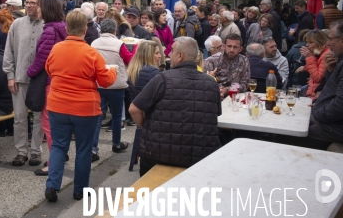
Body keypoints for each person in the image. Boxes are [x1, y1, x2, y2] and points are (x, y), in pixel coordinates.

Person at [44, 10, 117, 202]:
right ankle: (79, 190)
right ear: (85, 29)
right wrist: (113, 72)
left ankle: (52, 185)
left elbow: (49, 70)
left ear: (67, 28)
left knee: (59, 146)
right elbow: (106, 80)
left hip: (58, 104)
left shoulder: (56, 48)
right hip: (85, 108)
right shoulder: (91, 52)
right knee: (83, 149)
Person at [129, 37, 222, 176]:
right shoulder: (211, 83)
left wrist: (146, 126)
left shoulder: (162, 79)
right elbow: (216, 114)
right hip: (201, 155)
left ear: (180, 55)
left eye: (171, 51)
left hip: (159, 153)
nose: (168, 55)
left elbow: (134, 109)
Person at [26, 0, 68, 175]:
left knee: (48, 124)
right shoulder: (62, 28)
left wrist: (28, 72)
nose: (37, 10)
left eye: (40, 7)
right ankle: (59, 156)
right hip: (60, 81)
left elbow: (42, 59)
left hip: (49, 82)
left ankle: (53, 163)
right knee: (57, 124)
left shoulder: (49, 31)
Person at [3, 0, 45, 167]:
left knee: (39, 118)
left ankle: (36, 151)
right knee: (19, 117)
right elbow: (9, 52)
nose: (28, 5)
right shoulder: (17, 24)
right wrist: (10, 76)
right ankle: (21, 151)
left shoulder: (48, 25)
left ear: (40, 5)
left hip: (40, 80)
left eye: (32, 3)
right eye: (27, 2)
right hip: (20, 78)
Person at [91, 18, 136, 161]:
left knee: (97, 116)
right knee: (117, 116)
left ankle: (93, 148)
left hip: (99, 83)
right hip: (116, 83)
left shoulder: (94, 43)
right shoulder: (119, 44)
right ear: (114, 30)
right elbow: (129, 60)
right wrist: (135, 47)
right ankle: (116, 143)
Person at [302, 20, 343, 149]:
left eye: (330, 39)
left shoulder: (326, 55)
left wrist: (318, 113)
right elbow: (330, 86)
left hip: (335, 126)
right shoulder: (337, 59)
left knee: (295, 137)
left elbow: (339, 105)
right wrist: (330, 71)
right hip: (331, 119)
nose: (328, 43)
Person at [204, 33, 250, 98]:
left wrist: (228, 90)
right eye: (229, 46)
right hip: (215, 97)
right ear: (224, 46)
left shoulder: (244, 61)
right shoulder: (211, 61)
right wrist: (219, 89)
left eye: (235, 47)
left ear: (240, 49)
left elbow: (245, 84)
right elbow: (203, 83)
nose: (231, 50)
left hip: (236, 97)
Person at [298, 29, 330, 99]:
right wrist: (305, 67)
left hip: (317, 96)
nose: (307, 45)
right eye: (306, 42)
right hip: (312, 93)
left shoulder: (326, 55)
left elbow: (317, 78)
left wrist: (309, 57)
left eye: (311, 42)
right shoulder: (318, 53)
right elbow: (316, 66)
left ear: (320, 42)